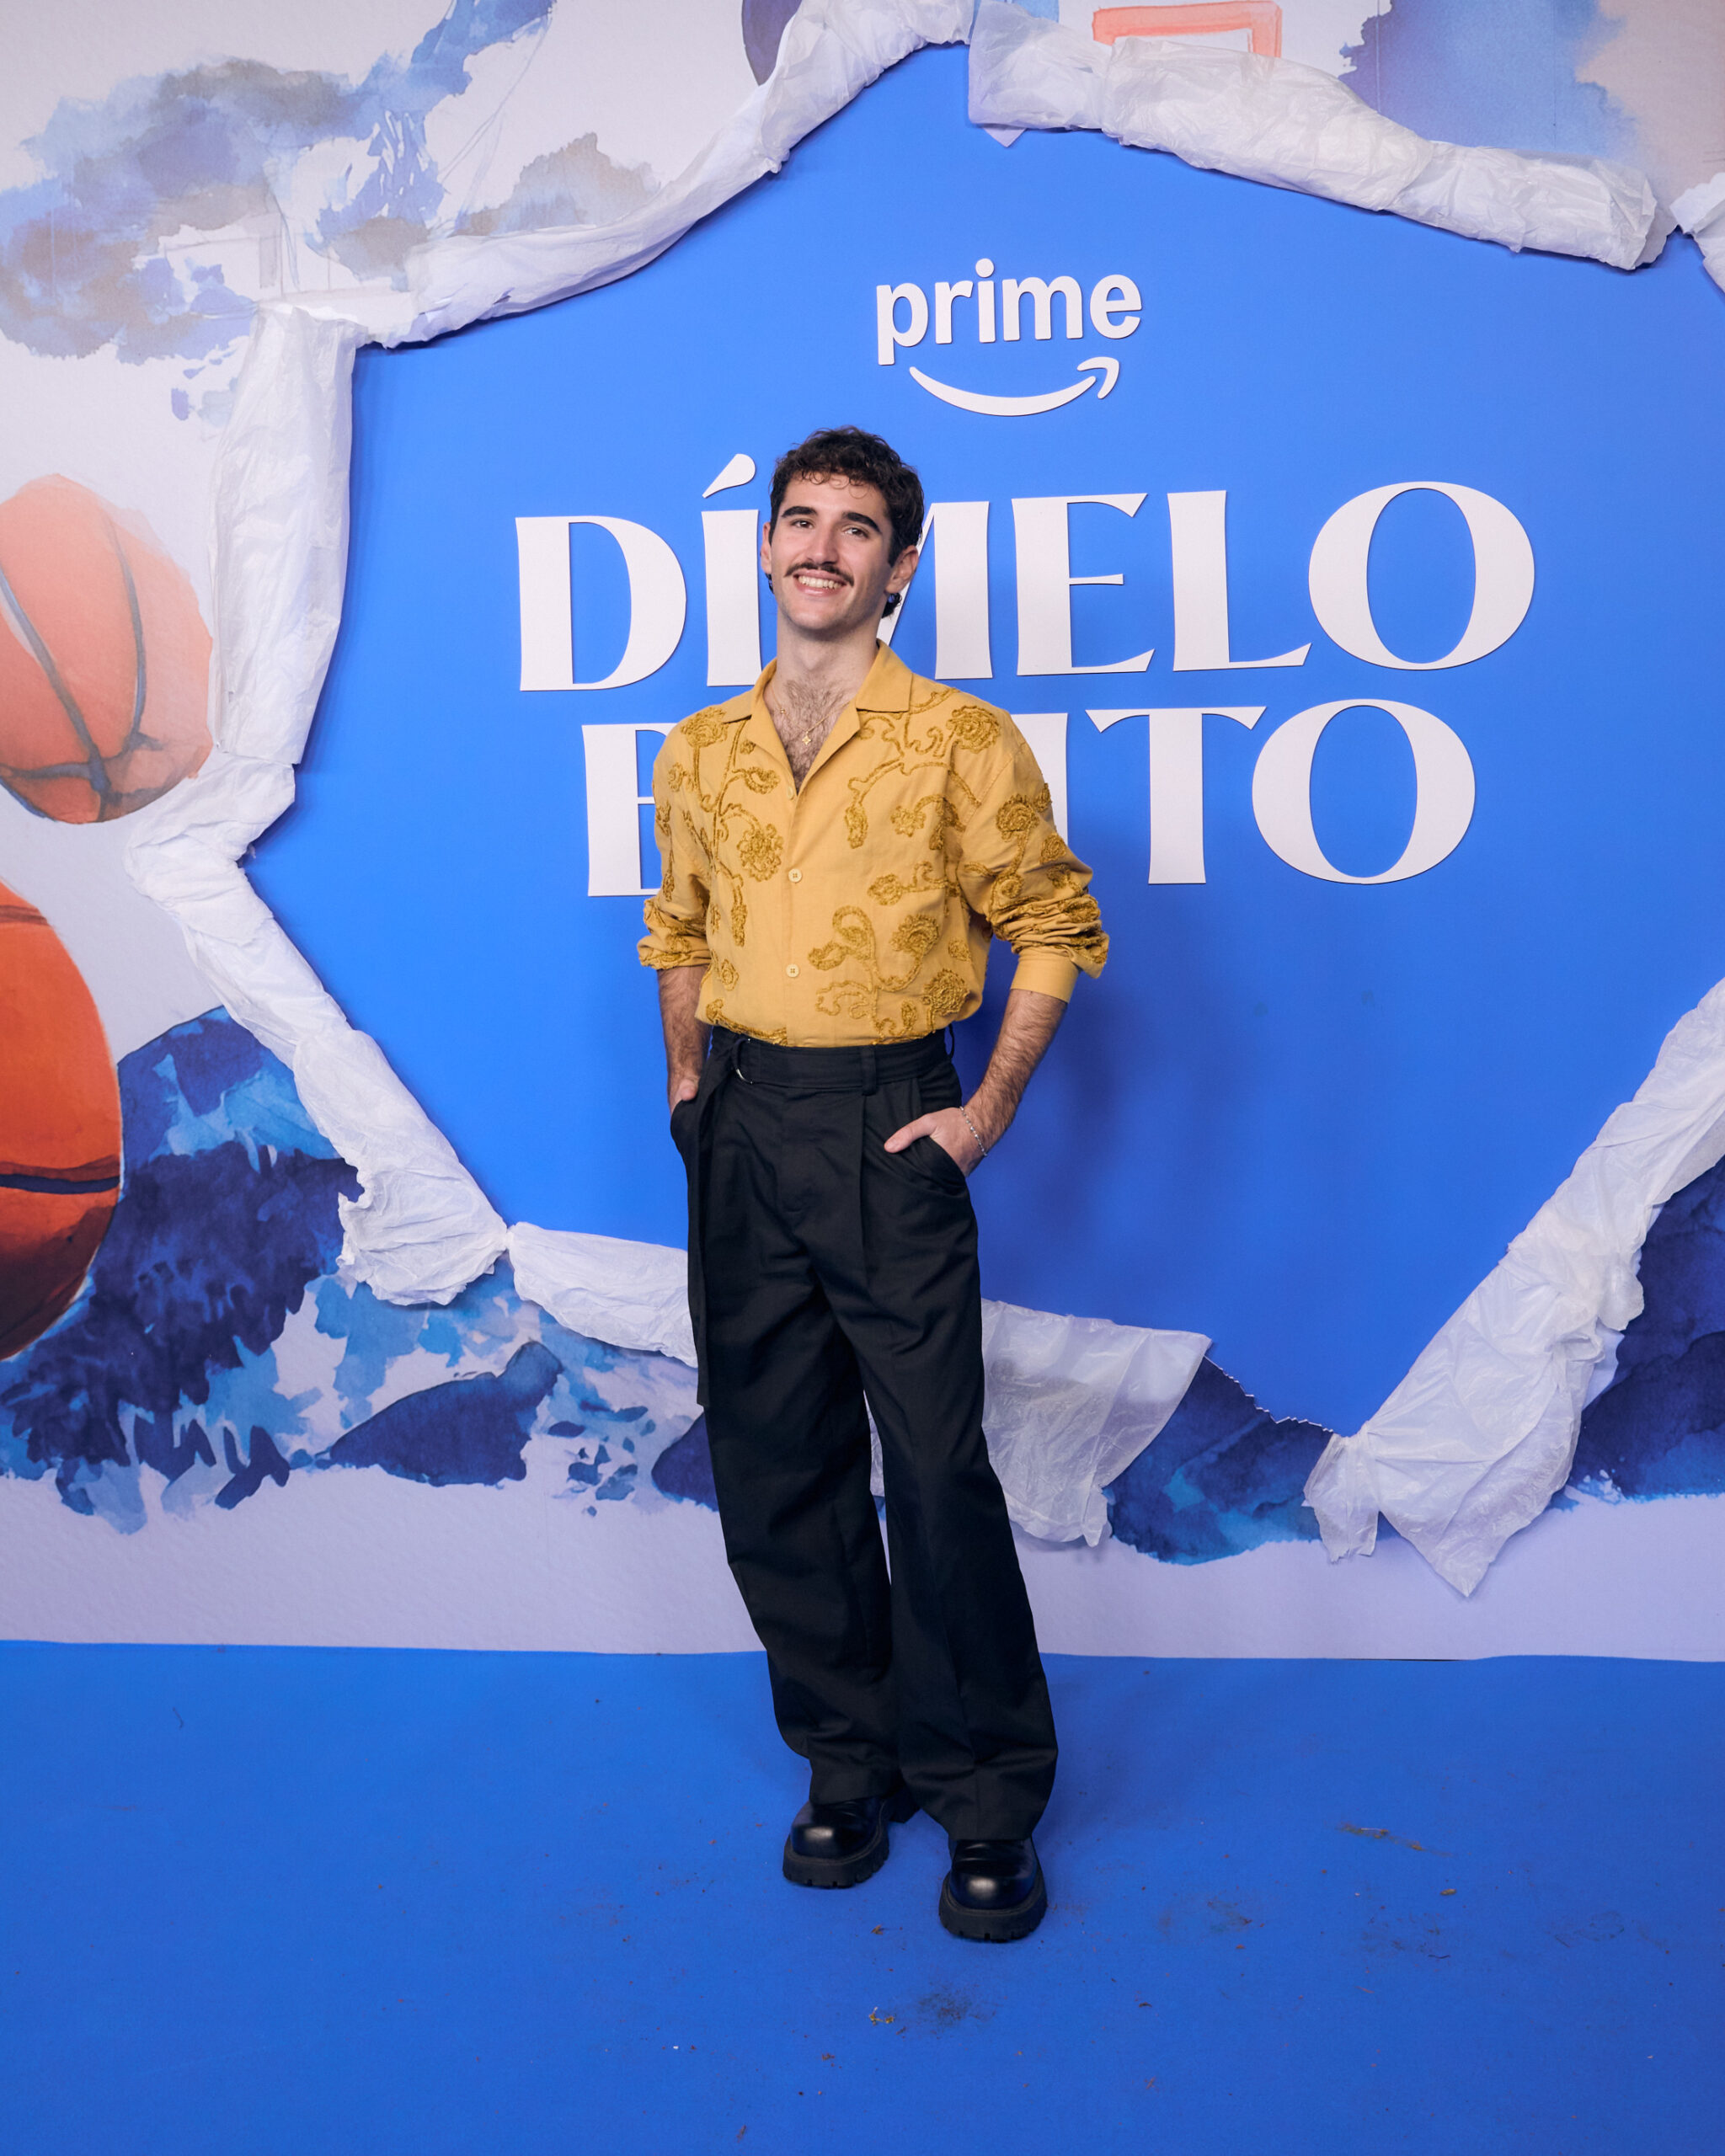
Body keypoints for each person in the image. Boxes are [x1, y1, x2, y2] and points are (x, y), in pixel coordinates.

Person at [639, 425, 1108, 1942]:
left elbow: (1056, 923)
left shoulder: (962, 739)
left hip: (892, 1119)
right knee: (776, 1463)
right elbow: (678, 931)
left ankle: (985, 1797)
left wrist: (984, 1114)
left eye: (855, 528)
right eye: (800, 520)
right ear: (766, 545)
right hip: (742, 1124)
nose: (821, 547)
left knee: (937, 1472)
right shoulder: (699, 749)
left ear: (899, 568)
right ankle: (850, 1764)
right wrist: (689, 1092)